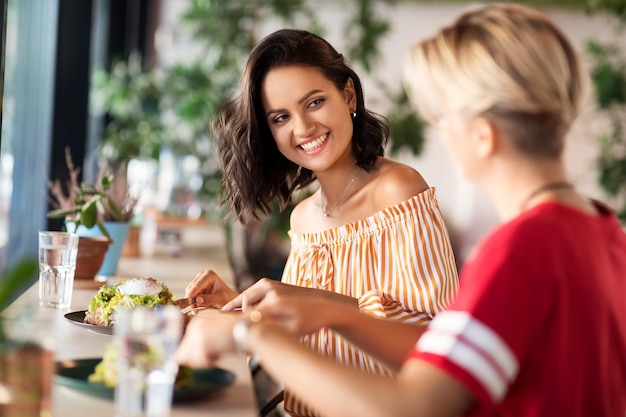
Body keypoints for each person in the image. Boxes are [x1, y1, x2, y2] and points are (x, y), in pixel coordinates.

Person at [176, 4, 626, 417]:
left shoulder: (517, 255)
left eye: (441, 117)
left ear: (482, 134)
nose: (441, 134)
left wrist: (249, 335)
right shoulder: (604, 232)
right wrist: (281, 311)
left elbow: (418, 405)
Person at [184, 28, 459, 416]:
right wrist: (242, 308)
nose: (303, 128)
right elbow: (310, 336)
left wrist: (315, 302)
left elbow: (440, 347)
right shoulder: (303, 217)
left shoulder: (397, 189)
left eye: (314, 102)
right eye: (281, 117)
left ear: (348, 95)